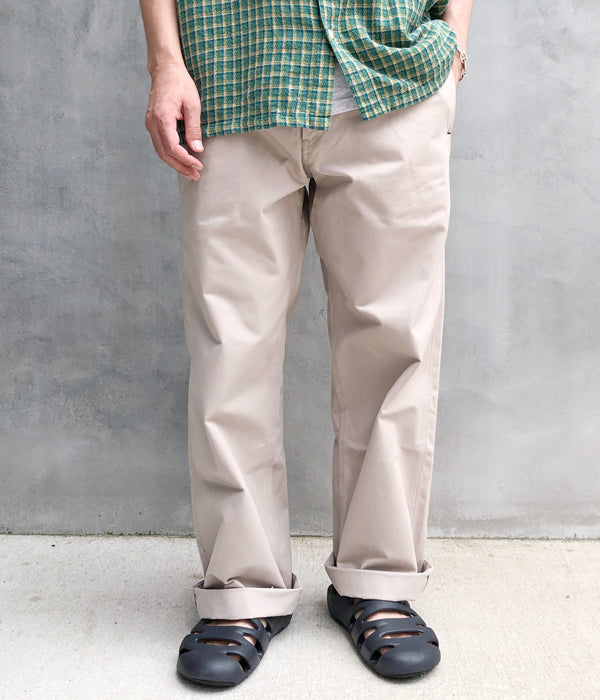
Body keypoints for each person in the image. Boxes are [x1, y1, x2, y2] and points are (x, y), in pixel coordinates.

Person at [140, 0, 473, 687]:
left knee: (393, 346)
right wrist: (166, 62)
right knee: (231, 350)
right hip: (234, 71)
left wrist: (454, 43)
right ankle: (241, 588)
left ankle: (378, 581)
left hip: (393, 76)